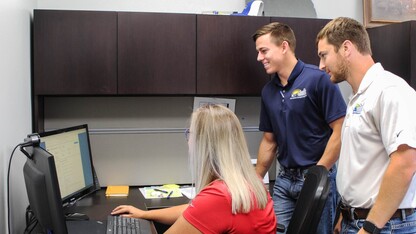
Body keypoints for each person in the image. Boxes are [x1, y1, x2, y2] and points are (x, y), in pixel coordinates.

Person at [316, 17, 416, 233]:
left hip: (387, 226)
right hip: (358, 220)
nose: (321, 65)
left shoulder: (389, 90)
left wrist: (370, 226)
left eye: (324, 55)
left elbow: (405, 164)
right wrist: (346, 213)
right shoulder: (358, 96)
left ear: (346, 48)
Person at [111, 104, 277, 233]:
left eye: (189, 133)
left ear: (202, 144)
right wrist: (145, 215)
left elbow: (205, 208)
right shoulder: (249, 184)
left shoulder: (219, 196)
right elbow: (195, 210)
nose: (187, 140)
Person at [252, 22, 346, 233]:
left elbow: (340, 129)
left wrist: (317, 173)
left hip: (316, 176)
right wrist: (256, 179)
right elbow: (269, 140)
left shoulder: (319, 80)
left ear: (284, 46)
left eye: (263, 50)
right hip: (285, 180)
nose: (259, 57)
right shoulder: (268, 91)